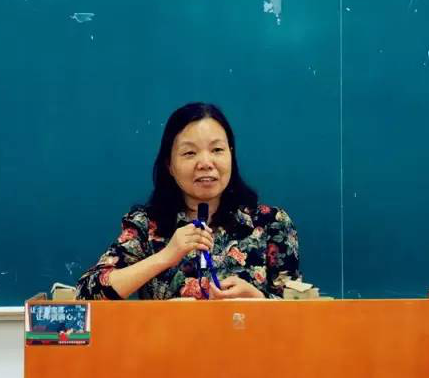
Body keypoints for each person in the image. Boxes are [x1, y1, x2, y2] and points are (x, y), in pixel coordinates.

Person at [76, 102, 301, 300]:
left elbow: (300, 311)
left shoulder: (271, 223)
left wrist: (258, 300)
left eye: (217, 150)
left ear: (231, 155)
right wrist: (165, 257)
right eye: (189, 153)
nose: (205, 163)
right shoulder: (146, 225)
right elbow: (86, 293)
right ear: (169, 165)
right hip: (167, 337)